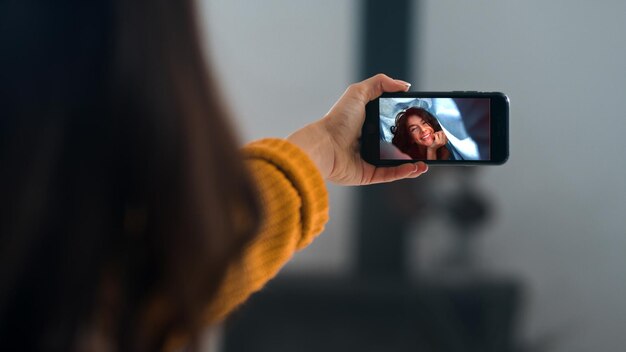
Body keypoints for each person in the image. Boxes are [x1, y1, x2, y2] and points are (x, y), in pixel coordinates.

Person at [0, 1, 428, 351]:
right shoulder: (96, 302)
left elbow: (184, 255)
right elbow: (183, 262)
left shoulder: (79, 279)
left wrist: (324, 149)